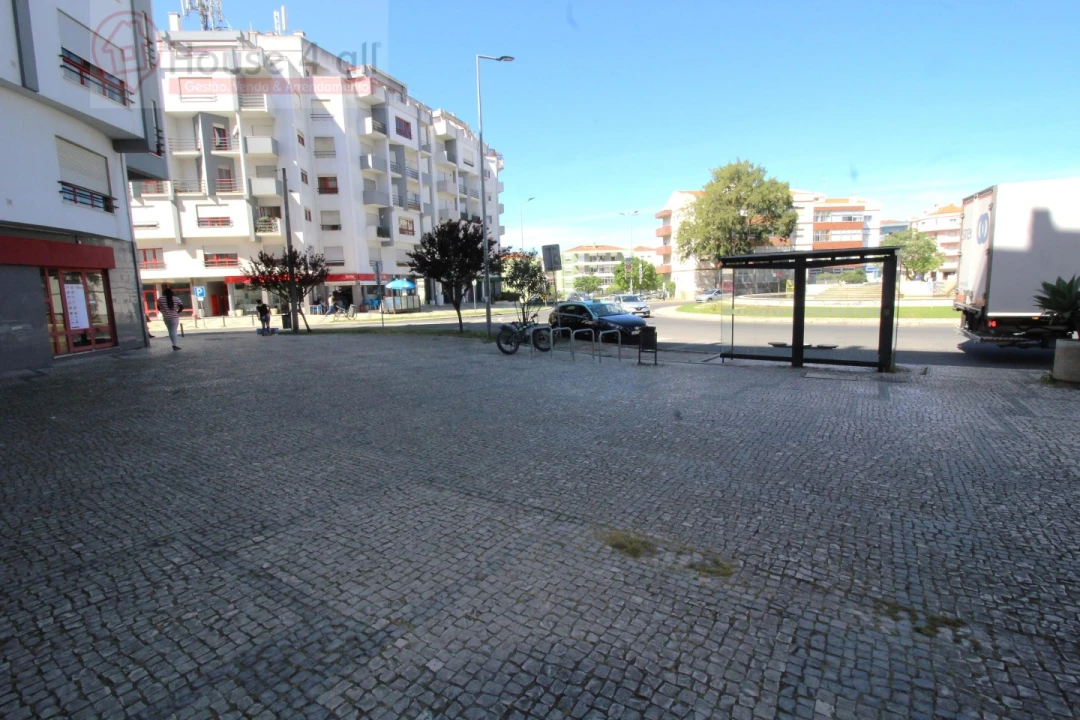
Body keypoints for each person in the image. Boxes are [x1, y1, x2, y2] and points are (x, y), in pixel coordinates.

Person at [156, 285, 183, 351]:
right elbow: (181, 306)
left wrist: (163, 311)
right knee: (174, 331)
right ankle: (175, 345)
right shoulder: (176, 298)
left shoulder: (160, 299)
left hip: (166, 317)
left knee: (170, 331)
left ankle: (174, 344)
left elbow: (158, 307)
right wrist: (177, 312)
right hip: (174, 317)